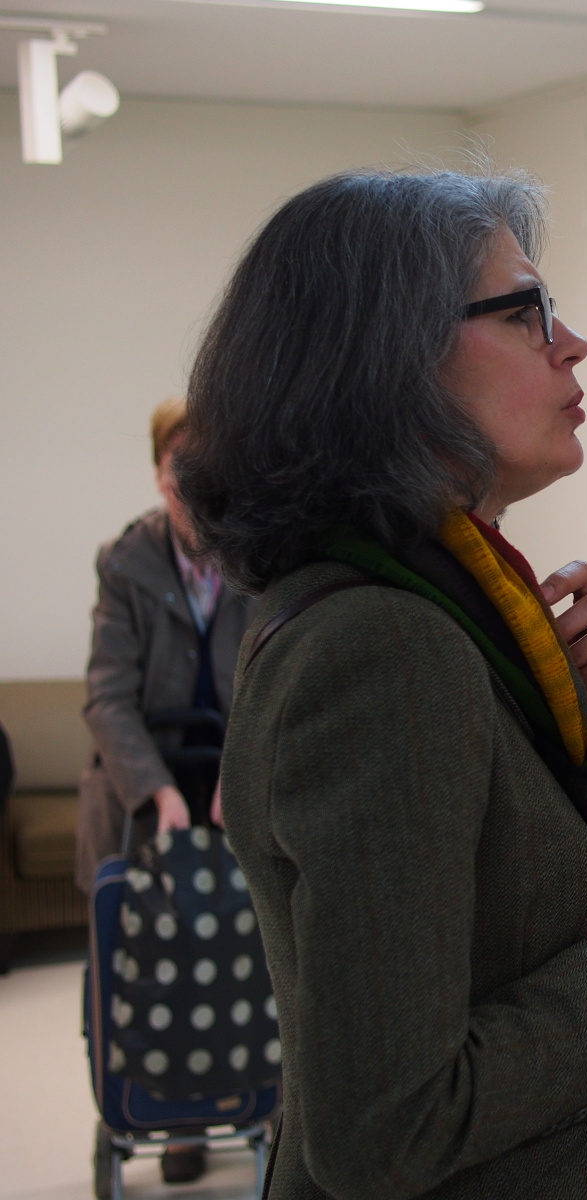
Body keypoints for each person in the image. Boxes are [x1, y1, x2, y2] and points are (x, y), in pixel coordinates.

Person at [177, 168, 587, 1199]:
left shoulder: (437, 612)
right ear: (389, 358)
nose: (573, 344)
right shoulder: (386, 645)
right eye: (526, 313)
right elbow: (383, 1124)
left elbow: (516, 922)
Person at [78, 398, 257, 1184]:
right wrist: (159, 794)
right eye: (181, 469)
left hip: (229, 780)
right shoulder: (125, 563)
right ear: (159, 475)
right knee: (146, 959)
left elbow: (270, 679)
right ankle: (168, 1115)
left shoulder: (256, 556)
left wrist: (235, 777)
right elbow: (107, 699)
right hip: (144, 791)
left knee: (236, 949)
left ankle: (243, 1093)